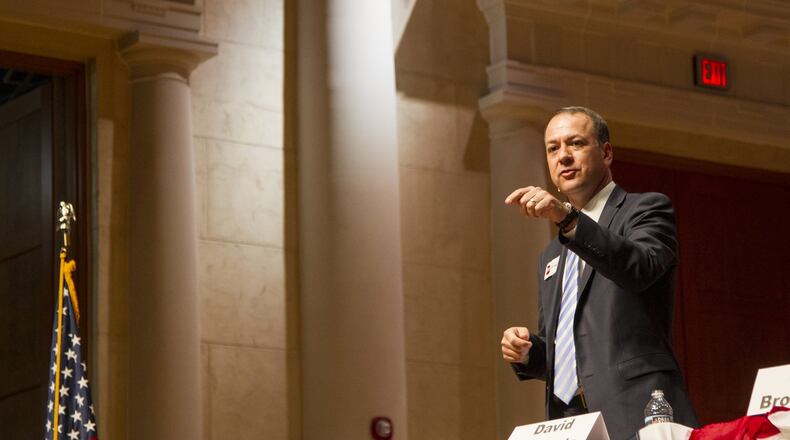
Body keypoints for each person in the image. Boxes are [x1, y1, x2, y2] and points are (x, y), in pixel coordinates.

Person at [500, 106, 698, 440]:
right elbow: (566, 348)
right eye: (553, 148)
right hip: (571, 422)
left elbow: (640, 267)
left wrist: (568, 219)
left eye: (575, 143)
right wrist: (529, 350)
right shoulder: (551, 254)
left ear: (606, 153)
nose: (563, 156)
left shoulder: (646, 209)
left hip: (638, 411)